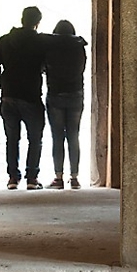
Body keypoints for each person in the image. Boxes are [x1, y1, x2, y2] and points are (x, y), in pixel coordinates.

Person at [0, 6, 48, 190]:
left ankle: (13, 178)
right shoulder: (40, 42)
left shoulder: (5, 40)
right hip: (31, 96)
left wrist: (2, 82)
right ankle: (32, 178)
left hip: (9, 96)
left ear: (22, 19)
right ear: (37, 22)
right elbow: (48, 64)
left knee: (12, 139)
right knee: (35, 139)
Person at [43, 19, 87, 190]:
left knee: (57, 137)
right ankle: (74, 178)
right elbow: (81, 68)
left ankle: (58, 177)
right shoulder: (78, 46)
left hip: (55, 94)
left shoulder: (50, 46)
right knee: (73, 136)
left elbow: (44, 67)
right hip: (76, 94)